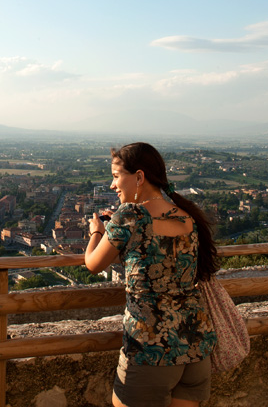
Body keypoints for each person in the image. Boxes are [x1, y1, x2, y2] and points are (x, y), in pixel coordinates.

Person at [85, 142, 219, 407]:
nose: (112, 185)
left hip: (152, 347)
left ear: (139, 177)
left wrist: (97, 231)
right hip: (196, 345)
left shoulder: (128, 217)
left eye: (115, 176)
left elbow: (93, 264)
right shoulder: (186, 217)